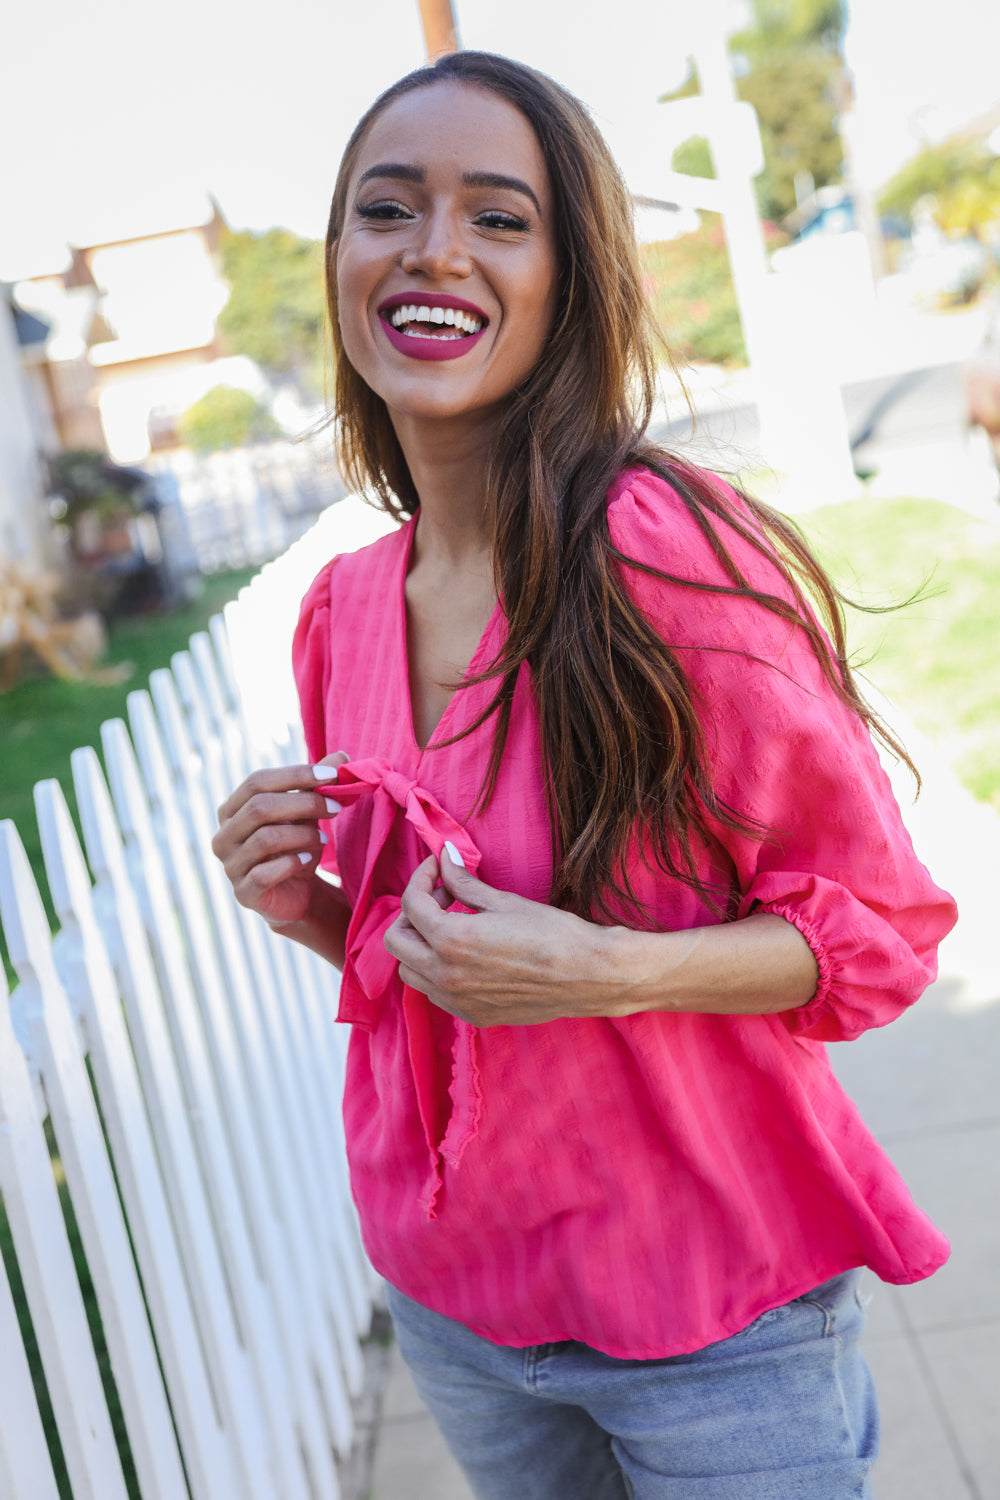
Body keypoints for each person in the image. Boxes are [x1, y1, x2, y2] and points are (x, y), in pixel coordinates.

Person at [212, 51, 957, 1500]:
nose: (434, 248)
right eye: (387, 208)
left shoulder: (663, 556)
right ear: (340, 261)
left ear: (571, 282)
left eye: (499, 217)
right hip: (458, 1306)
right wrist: (309, 910)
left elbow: (881, 938)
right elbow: (434, 979)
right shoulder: (341, 610)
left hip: (713, 1317)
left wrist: (614, 970)